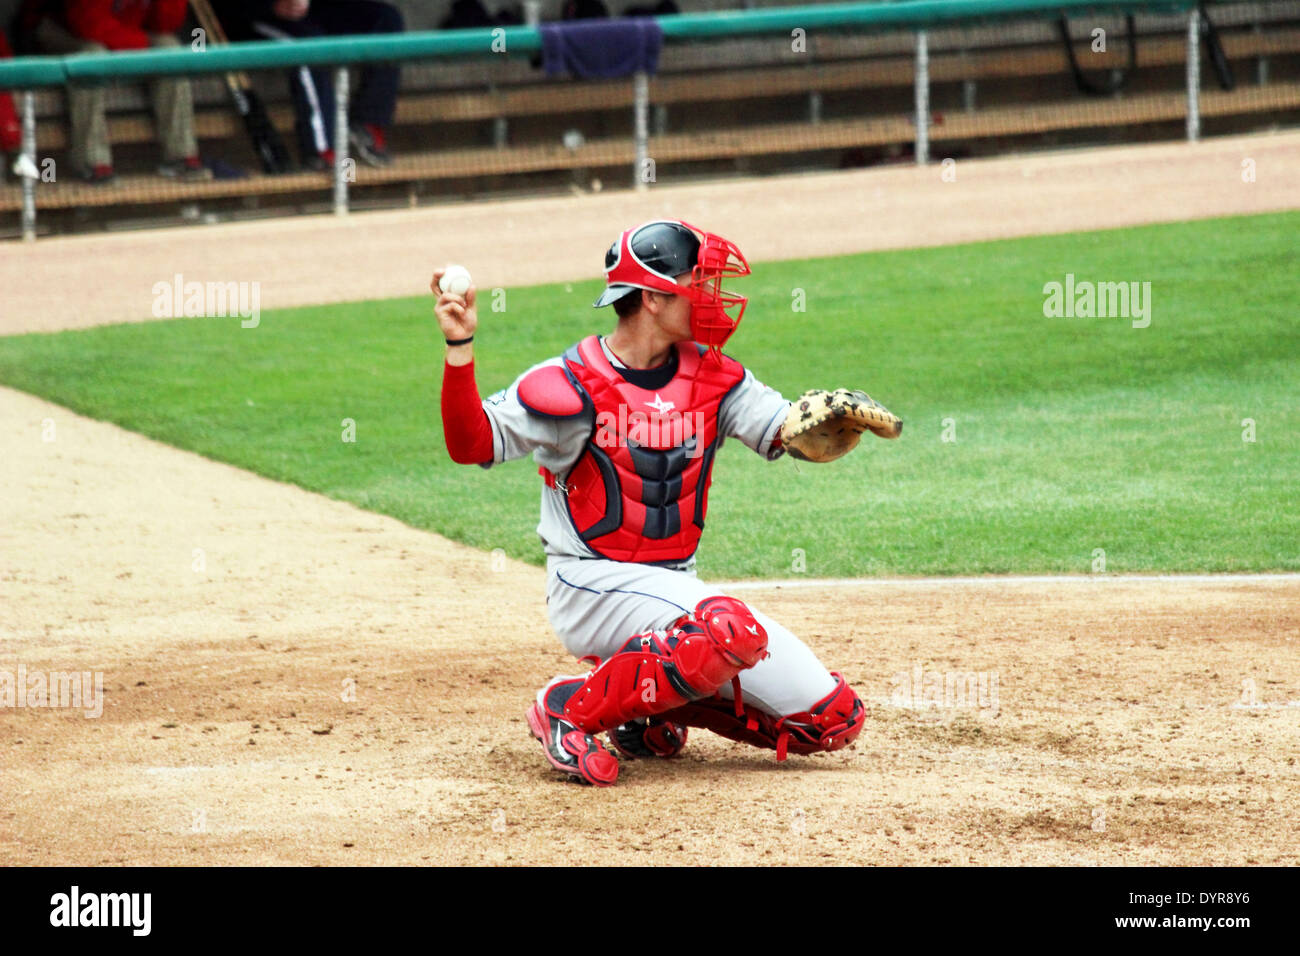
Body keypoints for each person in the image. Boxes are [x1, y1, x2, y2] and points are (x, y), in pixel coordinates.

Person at [435, 220, 871, 786]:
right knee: (727, 629)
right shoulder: (569, 383)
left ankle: (647, 707)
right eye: (699, 282)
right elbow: (471, 444)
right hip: (591, 585)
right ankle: (567, 707)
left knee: (831, 720)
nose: (713, 297)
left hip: (674, 591)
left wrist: (822, 420)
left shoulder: (718, 379)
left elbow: (788, 429)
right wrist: (459, 348)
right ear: (651, 296)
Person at [16, 0, 208, 183]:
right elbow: (88, 25)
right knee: (92, 57)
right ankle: (91, 162)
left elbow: (165, 24)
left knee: (170, 49)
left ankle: (180, 157)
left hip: (120, 29)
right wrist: (142, 48)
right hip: (59, 29)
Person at [210, 0, 403, 169]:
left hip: (312, 10)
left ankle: (367, 124)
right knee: (309, 46)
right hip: (250, 16)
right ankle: (321, 151)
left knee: (386, 19)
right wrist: (269, 6)